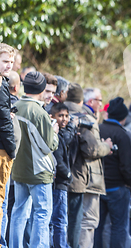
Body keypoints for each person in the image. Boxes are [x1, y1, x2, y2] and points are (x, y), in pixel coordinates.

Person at [10, 71, 59, 248]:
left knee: (18, 212)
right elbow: (49, 146)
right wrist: (54, 132)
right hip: (39, 171)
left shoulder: (15, 106)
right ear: (40, 89)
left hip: (19, 169)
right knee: (42, 213)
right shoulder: (38, 112)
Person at [64, 83, 112, 248]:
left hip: (63, 176)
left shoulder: (59, 113)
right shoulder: (86, 118)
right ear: (87, 101)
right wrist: (107, 146)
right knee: (88, 221)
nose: (100, 103)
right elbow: (91, 149)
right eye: (98, 100)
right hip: (87, 179)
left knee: (64, 220)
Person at [95, 97, 131, 248]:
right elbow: (126, 166)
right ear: (123, 117)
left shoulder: (97, 129)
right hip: (117, 188)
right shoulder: (123, 135)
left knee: (97, 226)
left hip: (98, 186)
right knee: (119, 227)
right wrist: (130, 182)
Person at [0, 43, 16, 248]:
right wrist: (12, 151)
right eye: (5, 61)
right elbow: (2, 121)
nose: (9, 65)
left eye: (11, 62)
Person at [50, 103, 76, 248]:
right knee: (60, 220)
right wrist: (67, 175)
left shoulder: (62, 134)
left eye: (66, 116)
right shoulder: (55, 135)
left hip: (61, 183)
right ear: (52, 116)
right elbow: (58, 161)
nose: (64, 119)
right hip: (59, 183)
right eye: (60, 116)